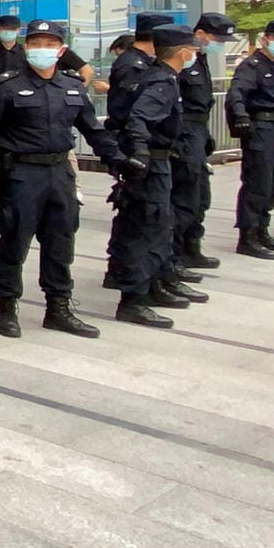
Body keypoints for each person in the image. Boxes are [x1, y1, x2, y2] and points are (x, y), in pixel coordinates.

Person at [0, 20, 124, 338]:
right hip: (20, 175)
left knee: (61, 242)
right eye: (35, 43)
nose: (41, 49)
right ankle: (6, 307)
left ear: (61, 50)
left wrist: (120, 161)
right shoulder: (7, 86)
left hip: (59, 173)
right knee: (14, 243)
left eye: (48, 44)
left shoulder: (72, 87)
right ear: (26, 47)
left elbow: (93, 130)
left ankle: (58, 307)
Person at [106, 25, 207, 327]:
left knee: (159, 227)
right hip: (152, 166)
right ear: (182, 52)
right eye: (192, 49)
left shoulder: (161, 76)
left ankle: (153, 286)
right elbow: (139, 119)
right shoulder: (161, 81)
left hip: (161, 161)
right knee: (148, 229)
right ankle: (133, 300)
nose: (195, 54)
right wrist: (139, 155)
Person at [228, 19, 274, 259]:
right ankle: (248, 236)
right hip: (260, 127)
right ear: (266, 38)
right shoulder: (253, 66)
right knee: (258, 182)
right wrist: (240, 118)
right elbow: (236, 93)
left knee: (273, 185)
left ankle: (261, 229)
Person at [172, 13, 236, 271]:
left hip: (198, 129)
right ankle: (175, 255)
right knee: (184, 195)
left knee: (200, 195)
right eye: (217, 38)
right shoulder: (184, 63)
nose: (220, 43)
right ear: (199, 35)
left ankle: (191, 246)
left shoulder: (201, 60)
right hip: (185, 131)